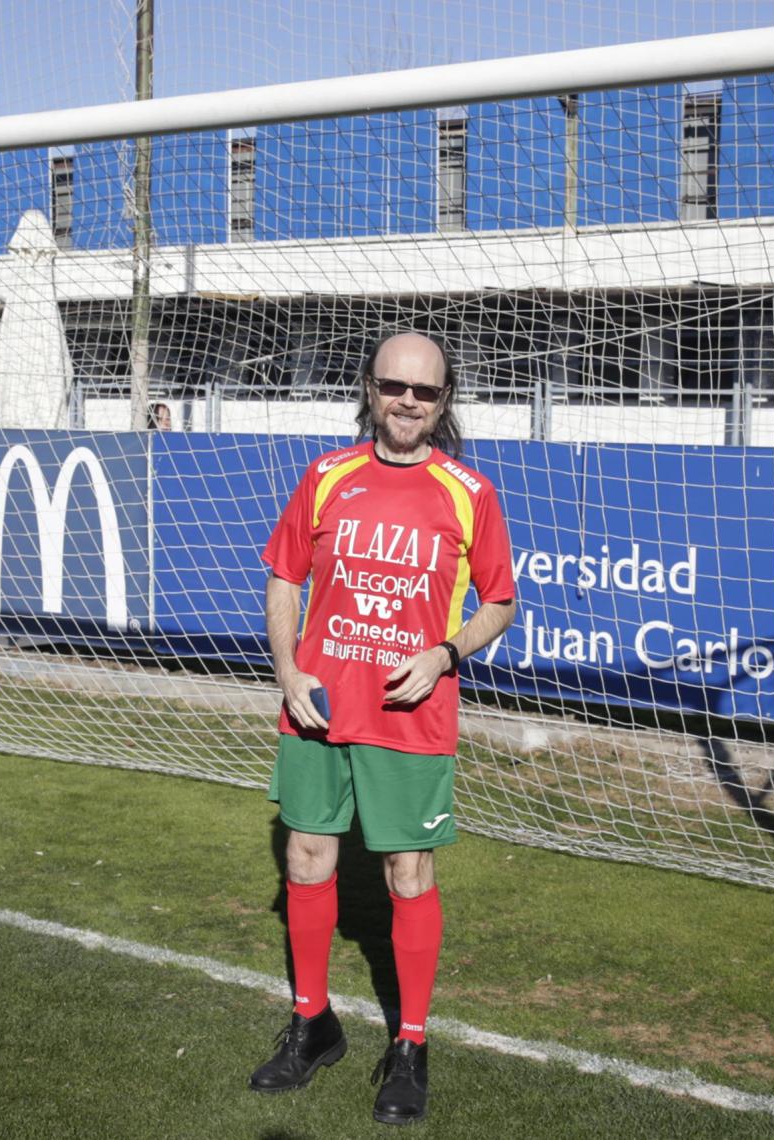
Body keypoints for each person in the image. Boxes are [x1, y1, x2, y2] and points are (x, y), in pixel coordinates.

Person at [250, 331, 515, 1125]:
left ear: (442, 402)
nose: (407, 401)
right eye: (394, 385)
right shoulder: (326, 477)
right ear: (369, 388)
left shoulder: (469, 492)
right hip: (317, 708)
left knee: (407, 876)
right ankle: (312, 1023)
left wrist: (444, 652)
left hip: (410, 715)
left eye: (424, 391)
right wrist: (289, 670)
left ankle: (410, 1044)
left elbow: (499, 602)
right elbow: (284, 577)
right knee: (303, 857)